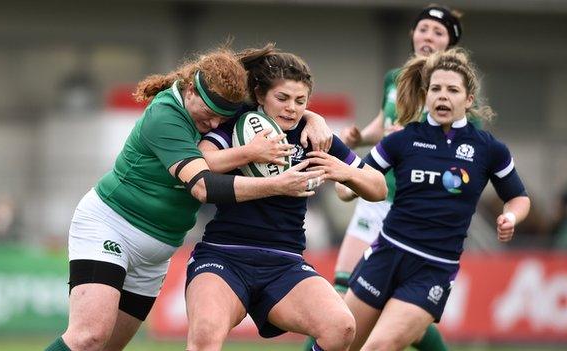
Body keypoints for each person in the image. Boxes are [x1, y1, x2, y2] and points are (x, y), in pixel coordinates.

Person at [44, 47, 331, 351]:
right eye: (207, 117)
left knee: (108, 347)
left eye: (221, 120)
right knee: (89, 338)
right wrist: (269, 176)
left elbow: (279, 105)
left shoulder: (221, 104)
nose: (212, 126)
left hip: (156, 251)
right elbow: (203, 187)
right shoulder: (165, 115)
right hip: (112, 226)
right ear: (191, 90)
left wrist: (313, 118)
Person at [184, 45, 387, 351]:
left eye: (300, 101)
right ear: (260, 95)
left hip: (284, 261)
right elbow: (203, 162)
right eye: (282, 98)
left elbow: (379, 187)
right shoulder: (240, 123)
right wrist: (252, 154)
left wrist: (343, 171)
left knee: (341, 327)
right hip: (224, 255)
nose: (292, 108)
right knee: (204, 338)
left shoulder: (313, 135)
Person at [342, 48, 530, 351]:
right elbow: (354, 182)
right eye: (436, 89)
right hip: (386, 254)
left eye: (453, 90)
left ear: (468, 100)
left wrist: (510, 217)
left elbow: (518, 198)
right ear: (425, 95)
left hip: (433, 269)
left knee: (377, 347)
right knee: (340, 340)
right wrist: (344, 179)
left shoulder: (488, 149)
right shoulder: (401, 139)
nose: (443, 96)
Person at [322, 5, 465, 350]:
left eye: (438, 32)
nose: (428, 36)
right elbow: (387, 121)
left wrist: (415, 137)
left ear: (450, 44)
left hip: (408, 207)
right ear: (413, 33)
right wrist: (360, 135)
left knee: (393, 316)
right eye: (423, 28)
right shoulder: (395, 77)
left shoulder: (448, 89)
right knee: (340, 294)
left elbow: (459, 147)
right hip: (376, 193)